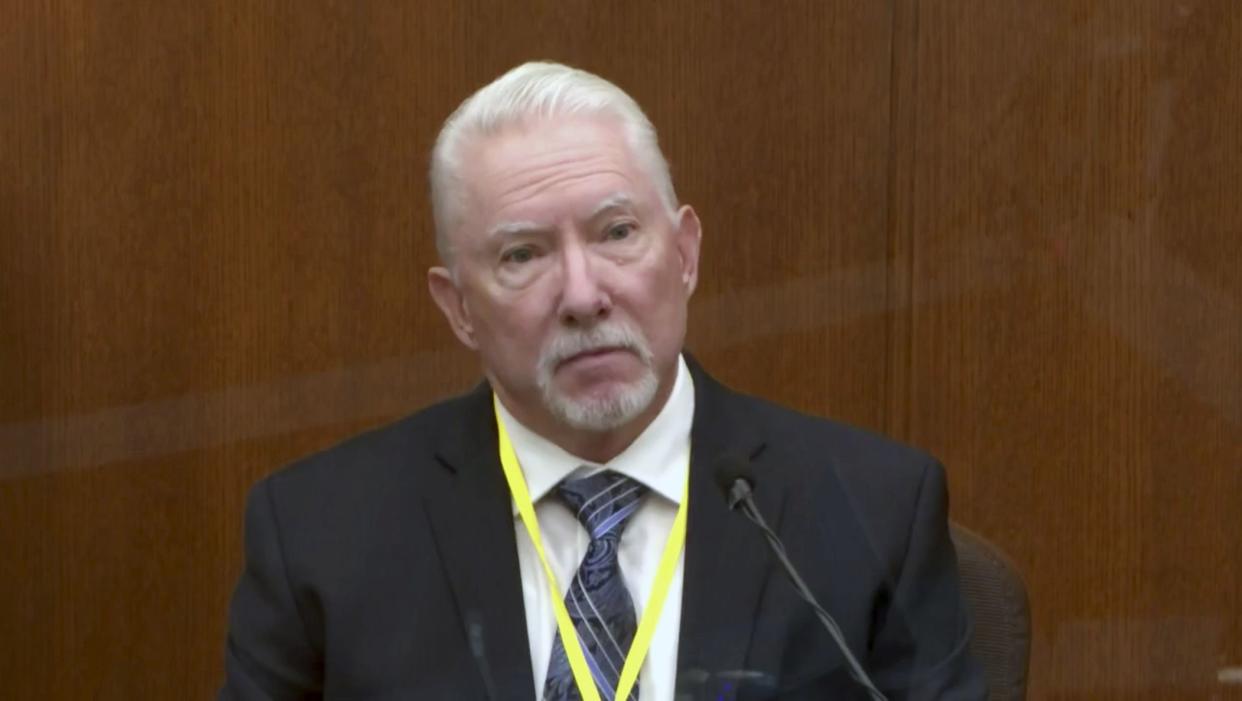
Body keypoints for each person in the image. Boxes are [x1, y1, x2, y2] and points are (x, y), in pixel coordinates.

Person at [220, 61, 985, 701]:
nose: (584, 295)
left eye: (617, 233)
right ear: (459, 309)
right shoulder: (321, 537)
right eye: (523, 255)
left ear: (683, 254)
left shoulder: (870, 513)